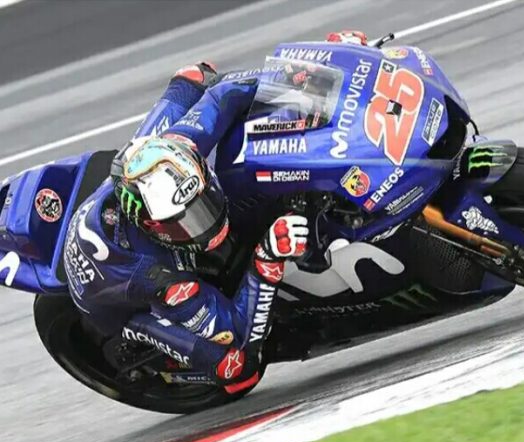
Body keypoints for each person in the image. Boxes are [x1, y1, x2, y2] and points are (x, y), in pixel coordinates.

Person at [63, 31, 368, 393]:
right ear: (152, 227)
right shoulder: (160, 279)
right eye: (185, 222)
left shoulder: (180, 146)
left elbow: (225, 94)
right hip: (117, 304)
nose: (206, 224)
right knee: (237, 369)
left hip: (130, 187)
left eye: (202, 203)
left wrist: (315, 79)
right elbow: (237, 330)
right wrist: (266, 258)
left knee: (196, 78)